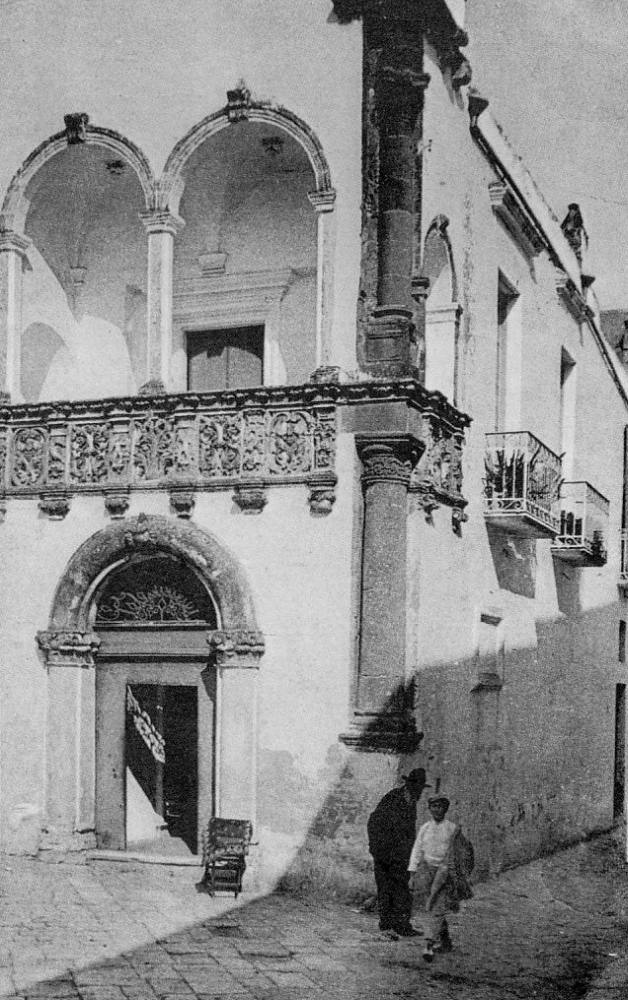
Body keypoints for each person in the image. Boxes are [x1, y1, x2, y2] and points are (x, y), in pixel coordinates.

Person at [408, 792, 474, 962]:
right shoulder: (425, 828)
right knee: (431, 907)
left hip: (446, 873)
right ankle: (445, 941)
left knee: (436, 908)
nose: (437, 809)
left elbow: (464, 852)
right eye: (434, 806)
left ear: (446, 809)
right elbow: (417, 850)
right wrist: (412, 874)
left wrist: (459, 872)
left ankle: (429, 945)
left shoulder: (452, 829)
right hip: (427, 871)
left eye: (440, 806)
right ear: (429, 809)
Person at [367, 768, 429, 938]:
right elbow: (374, 821)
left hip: (401, 856)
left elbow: (408, 831)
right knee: (386, 889)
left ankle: (401, 925)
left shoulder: (412, 802)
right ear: (409, 785)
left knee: (401, 890)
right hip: (385, 854)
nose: (420, 792)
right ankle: (388, 925)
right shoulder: (393, 798)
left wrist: (411, 851)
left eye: (421, 788)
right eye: (417, 787)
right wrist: (377, 850)